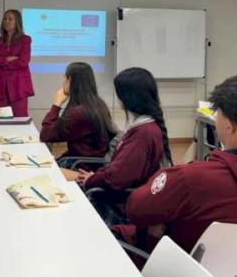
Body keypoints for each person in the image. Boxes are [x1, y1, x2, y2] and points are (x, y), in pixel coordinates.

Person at [113, 72, 237, 264]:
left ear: (230, 126)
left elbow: (136, 208)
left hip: (171, 269)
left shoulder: (193, 178)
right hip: (223, 275)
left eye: (218, 113)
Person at [63, 67, 170, 224]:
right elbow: (119, 170)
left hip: (119, 201)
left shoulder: (142, 134)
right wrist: (94, 177)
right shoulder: (146, 126)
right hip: (115, 187)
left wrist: (91, 179)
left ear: (127, 98)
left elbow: (117, 177)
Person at [40, 62, 116, 162]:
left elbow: (45, 135)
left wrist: (56, 105)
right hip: (87, 162)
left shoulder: (79, 113)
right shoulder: (98, 104)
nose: (64, 83)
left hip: (81, 166)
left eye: (65, 78)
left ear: (71, 81)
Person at [0, 9, 34, 117]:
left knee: (20, 120)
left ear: (17, 22)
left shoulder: (25, 40)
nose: (6, 21)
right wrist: (9, 59)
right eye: (5, 19)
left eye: (10, 19)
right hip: (0, 86)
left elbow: (23, 61)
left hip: (18, 86)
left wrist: (0, 59)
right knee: (2, 120)